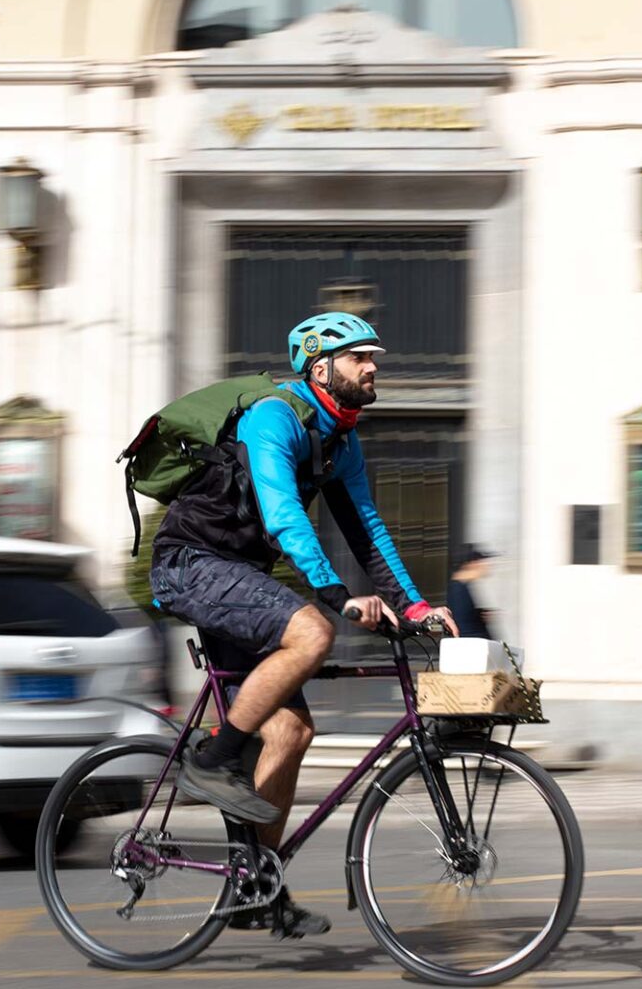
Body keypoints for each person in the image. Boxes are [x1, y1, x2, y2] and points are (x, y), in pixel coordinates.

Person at [148, 311, 459, 939]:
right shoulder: (275, 417)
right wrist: (337, 595)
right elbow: (283, 511)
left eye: (374, 358)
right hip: (192, 564)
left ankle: (254, 887)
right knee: (313, 631)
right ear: (321, 369)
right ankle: (214, 760)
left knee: (291, 730)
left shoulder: (341, 441)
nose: (373, 368)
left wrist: (417, 606)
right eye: (359, 359)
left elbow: (368, 530)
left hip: (238, 577)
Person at [445, 544, 495, 642]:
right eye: (482, 561)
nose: (488, 565)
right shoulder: (458, 590)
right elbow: (466, 631)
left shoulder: (461, 587)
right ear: (473, 563)